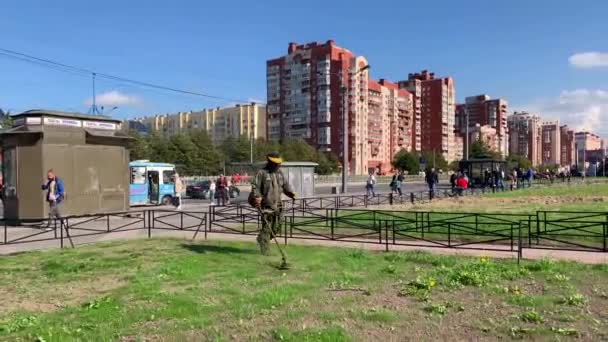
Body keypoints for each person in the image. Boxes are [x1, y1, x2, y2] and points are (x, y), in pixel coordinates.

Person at [249, 153, 296, 255]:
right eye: (275, 164)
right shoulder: (262, 173)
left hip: (278, 206)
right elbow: (254, 186)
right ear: (270, 163)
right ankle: (266, 252)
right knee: (266, 228)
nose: (278, 165)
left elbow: (285, 186)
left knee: (276, 228)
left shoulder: (280, 173)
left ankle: (261, 238)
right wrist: (257, 197)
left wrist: (292, 194)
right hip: (266, 206)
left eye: (279, 164)